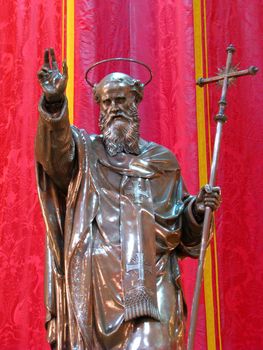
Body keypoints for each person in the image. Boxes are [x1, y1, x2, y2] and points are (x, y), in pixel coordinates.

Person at [36, 48, 221, 350]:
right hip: (97, 285)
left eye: (121, 99)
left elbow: (182, 233)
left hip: (153, 279)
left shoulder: (162, 162)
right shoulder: (85, 153)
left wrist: (198, 209)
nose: (114, 108)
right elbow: (54, 157)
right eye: (106, 101)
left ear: (136, 101)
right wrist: (55, 102)